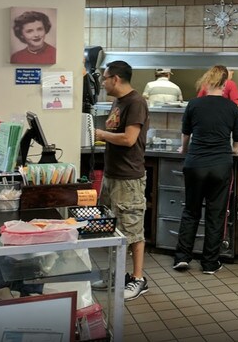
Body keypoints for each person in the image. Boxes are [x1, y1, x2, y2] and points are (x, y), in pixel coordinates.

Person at [174, 66, 238, 275]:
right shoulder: (232, 108)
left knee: (191, 211)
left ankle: (182, 258)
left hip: (195, 164)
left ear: (207, 82)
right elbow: (237, 140)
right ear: (225, 84)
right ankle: (210, 263)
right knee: (216, 214)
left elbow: (186, 134)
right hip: (220, 166)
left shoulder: (194, 104)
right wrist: (233, 150)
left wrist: (184, 150)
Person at [92, 60, 150, 300]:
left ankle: (138, 279)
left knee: (132, 229)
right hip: (112, 175)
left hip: (129, 178)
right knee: (112, 227)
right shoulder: (118, 101)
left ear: (115, 79)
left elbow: (128, 139)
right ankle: (117, 274)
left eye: (104, 78)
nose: (102, 83)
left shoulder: (136, 103)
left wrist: (100, 134)